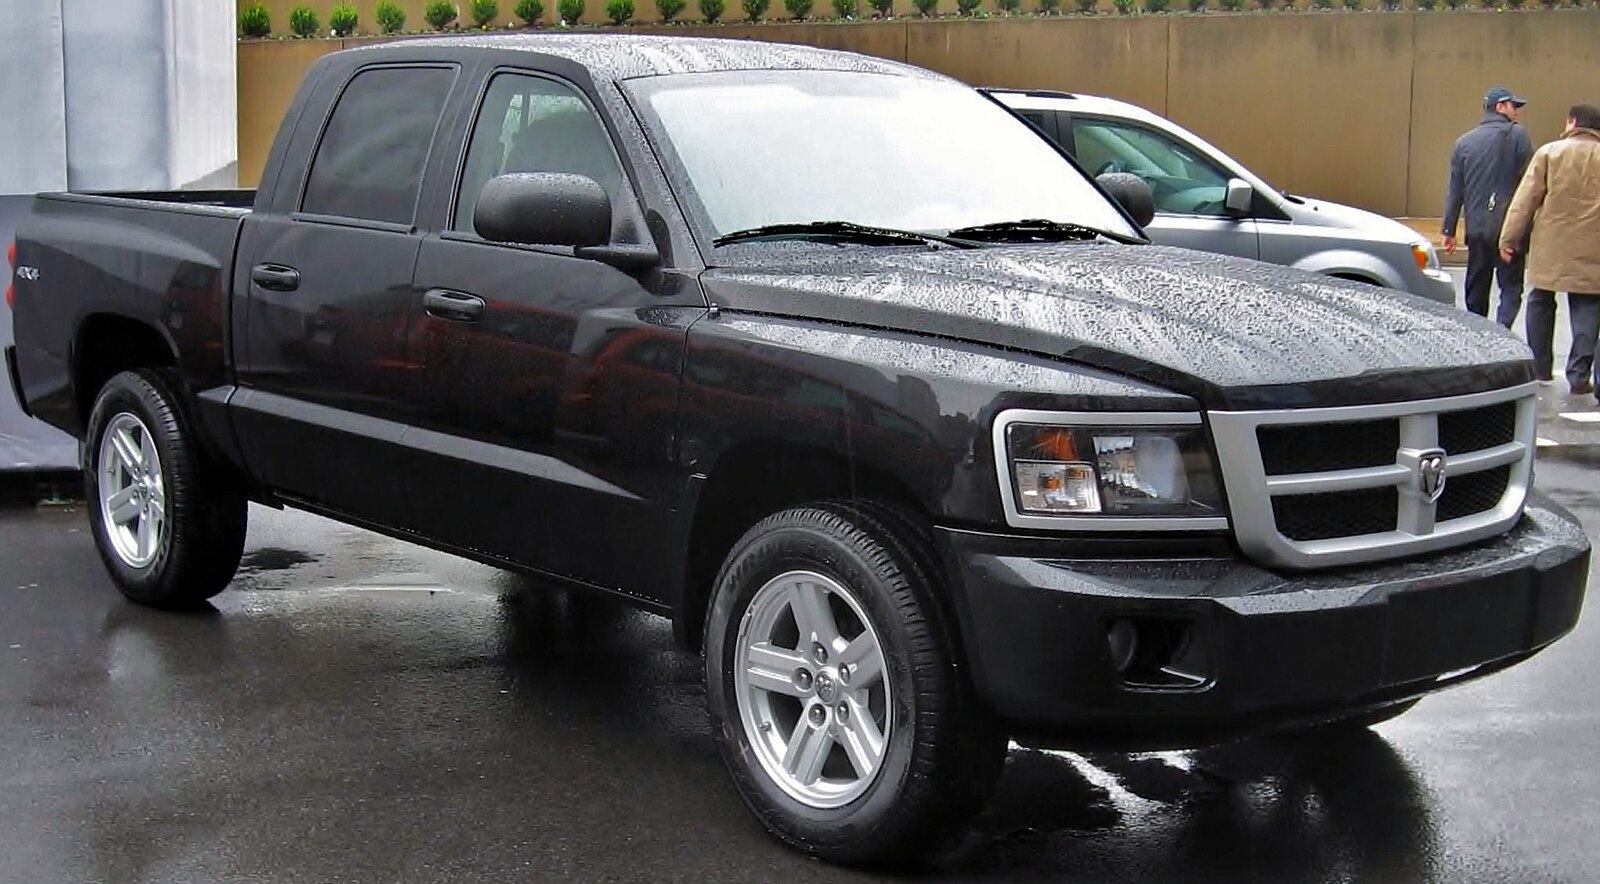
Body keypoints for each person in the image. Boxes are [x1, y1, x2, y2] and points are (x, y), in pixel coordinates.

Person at [1500, 104, 1600, 401]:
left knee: (1541, 301)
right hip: (1594, 249)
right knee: (1587, 310)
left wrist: (1509, 238)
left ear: (1572, 122)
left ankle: (1541, 368)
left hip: (1550, 246)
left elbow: (1525, 199)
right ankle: (1579, 377)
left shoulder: (1549, 153)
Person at [1443, 87, 1534, 328]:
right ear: (1500, 106)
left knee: (1477, 284)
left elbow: (1456, 190)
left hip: (1477, 228)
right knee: (1511, 286)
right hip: (1509, 229)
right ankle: (1503, 331)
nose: (1517, 112)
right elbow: (1529, 183)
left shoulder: (1464, 142)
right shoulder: (1519, 136)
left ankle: (1479, 333)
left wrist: (1449, 230)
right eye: (1514, 106)